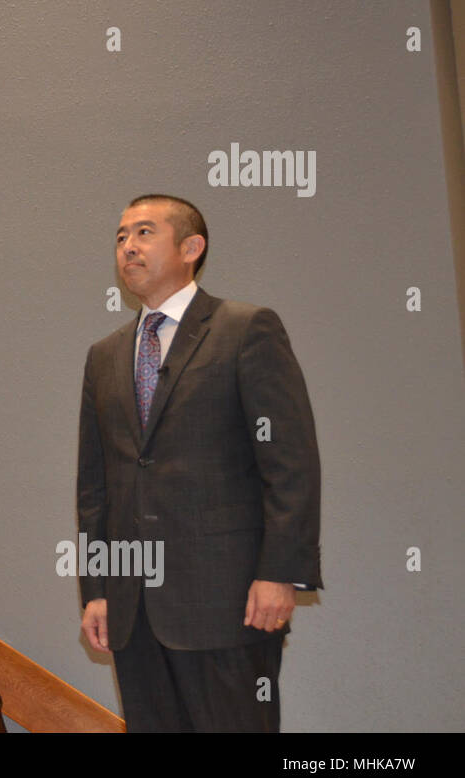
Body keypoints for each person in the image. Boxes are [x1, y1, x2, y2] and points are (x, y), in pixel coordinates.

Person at [76, 194, 321, 732]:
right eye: (120, 237)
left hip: (227, 603)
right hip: (134, 610)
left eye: (143, 233)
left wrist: (279, 572)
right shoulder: (105, 355)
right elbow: (95, 488)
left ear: (191, 247)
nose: (127, 247)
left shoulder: (245, 329)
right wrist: (97, 589)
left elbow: (290, 463)